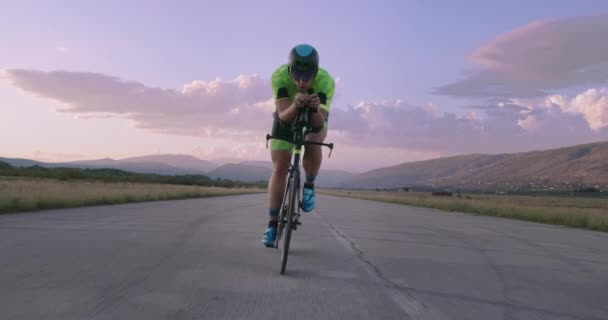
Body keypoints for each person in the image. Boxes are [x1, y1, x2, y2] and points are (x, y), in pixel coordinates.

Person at [261, 44, 336, 247]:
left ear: (316, 72)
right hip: (287, 114)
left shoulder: (326, 81)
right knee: (280, 168)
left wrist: (312, 109)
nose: (301, 81)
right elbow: (284, 117)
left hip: (315, 116)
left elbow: (319, 123)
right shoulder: (279, 76)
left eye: (307, 76)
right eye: (297, 75)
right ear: (289, 70)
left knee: (314, 139)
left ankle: (309, 185)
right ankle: (272, 225)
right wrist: (295, 104)